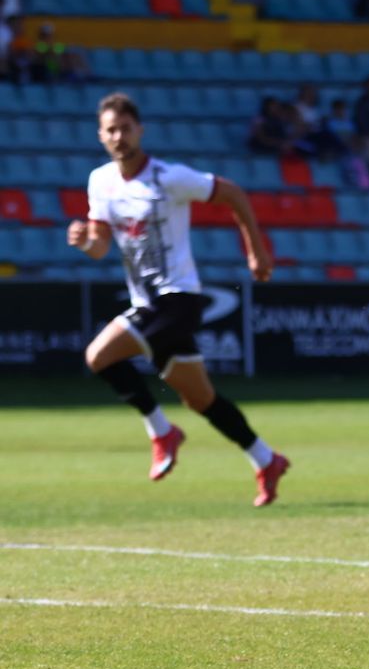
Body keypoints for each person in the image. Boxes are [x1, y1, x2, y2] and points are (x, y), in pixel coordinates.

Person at [65, 93, 289, 505]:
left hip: (178, 298)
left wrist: (256, 250)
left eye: (126, 128)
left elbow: (234, 194)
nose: (119, 136)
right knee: (200, 398)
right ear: (101, 135)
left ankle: (162, 431)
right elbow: (100, 246)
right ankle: (266, 459)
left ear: (140, 130)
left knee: (99, 356)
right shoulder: (101, 182)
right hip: (148, 302)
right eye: (111, 129)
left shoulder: (170, 178)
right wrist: (84, 241)